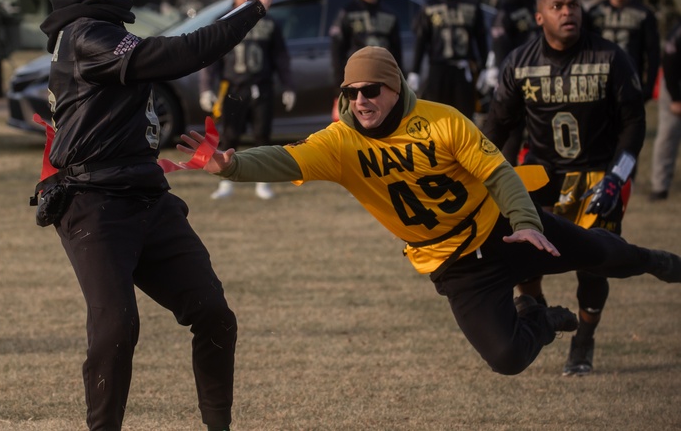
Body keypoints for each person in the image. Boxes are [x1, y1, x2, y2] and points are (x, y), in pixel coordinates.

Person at [179, 45, 681, 377]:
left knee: (603, 251)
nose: (361, 101)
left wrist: (526, 223)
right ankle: (541, 317)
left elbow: (499, 173)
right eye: (351, 93)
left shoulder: (441, 120)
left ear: (395, 87)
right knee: (507, 359)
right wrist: (230, 165)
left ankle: (657, 262)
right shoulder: (340, 143)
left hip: (501, 227)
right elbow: (284, 159)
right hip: (453, 263)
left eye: (371, 90)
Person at [38, 0, 277, 431]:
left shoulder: (100, 27)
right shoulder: (85, 34)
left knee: (214, 315)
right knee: (116, 328)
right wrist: (251, 7)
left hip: (146, 197)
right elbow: (177, 55)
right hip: (95, 204)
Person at [482, 0, 645, 376]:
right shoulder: (520, 62)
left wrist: (617, 177)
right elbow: (496, 127)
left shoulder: (610, 56)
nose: (568, 11)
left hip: (595, 174)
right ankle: (538, 311)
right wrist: (481, 176)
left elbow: (634, 122)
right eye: (557, 6)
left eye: (573, 4)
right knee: (524, 255)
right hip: (541, 173)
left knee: (594, 266)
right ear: (540, 17)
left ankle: (584, 341)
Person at [200, 0, 295, 201]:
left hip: (261, 86)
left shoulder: (269, 22)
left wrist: (288, 85)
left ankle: (263, 182)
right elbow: (211, 57)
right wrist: (206, 87)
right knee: (230, 135)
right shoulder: (224, 21)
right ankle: (225, 183)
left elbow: (280, 57)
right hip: (233, 86)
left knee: (262, 135)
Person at [409, 0, 488, 118]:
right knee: (437, 115)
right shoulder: (430, 6)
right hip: (439, 69)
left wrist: (485, 68)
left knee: (464, 116)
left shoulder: (471, 4)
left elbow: (480, 38)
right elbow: (421, 40)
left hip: (462, 69)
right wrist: (415, 71)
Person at [484, 0, 540, 160]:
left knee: (539, 134)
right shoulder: (506, 6)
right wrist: (498, 70)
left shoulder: (538, 2)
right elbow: (499, 40)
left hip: (542, 74)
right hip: (516, 74)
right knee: (512, 133)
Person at [585, 0, 660, 101]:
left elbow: (653, 53)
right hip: (598, 81)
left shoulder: (643, 14)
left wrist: (649, 87)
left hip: (630, 81)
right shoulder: (594, 13)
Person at [329, 0, 403, 76]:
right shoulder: (348, 12)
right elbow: (337, 50)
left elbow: (396, 50)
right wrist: (340, 83)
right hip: (356, 74)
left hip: (382, 74)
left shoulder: (389, 14)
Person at [650, 20, 681, 201]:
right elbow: (669, 63)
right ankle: (659, 186)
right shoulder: (678, 32)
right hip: (674, 84)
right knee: (668, 135)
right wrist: (676, 98)